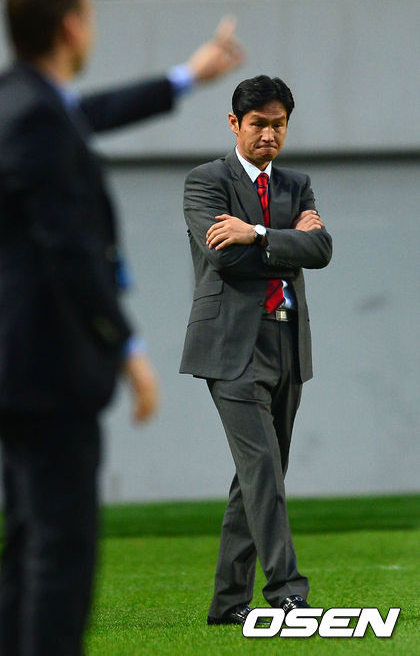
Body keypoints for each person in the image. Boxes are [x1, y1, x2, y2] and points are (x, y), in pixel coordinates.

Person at [0, 0, 244, 655]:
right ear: (72, 27)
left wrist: (186, 76)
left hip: (4, 363)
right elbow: (68, 251)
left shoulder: (3, 98)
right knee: (62, 553)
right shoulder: (37, 118)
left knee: (28, 544)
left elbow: (86, 116)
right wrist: (126, 348)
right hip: (45, 365)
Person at [180, 75, 332, 626]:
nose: (269, 134)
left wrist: (259, 234)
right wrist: (288, 241)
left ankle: (227, 603)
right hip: (231, 348)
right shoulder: (206, 182)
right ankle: (287, 591)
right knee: (263, 471)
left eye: (279, 124)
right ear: (234, 124)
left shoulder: (297, 184)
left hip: (287, 342)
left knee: (262, 475)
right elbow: (225, 257)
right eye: (258, 124)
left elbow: (322, 249)